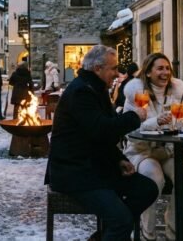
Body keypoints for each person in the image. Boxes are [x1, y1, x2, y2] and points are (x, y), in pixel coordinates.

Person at [46, 45, 156, 240]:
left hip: (95, 167)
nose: (117, 73)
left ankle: (105, 236)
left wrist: (118, 159)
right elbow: (101, 129)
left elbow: (100, 136)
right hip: (75, 172)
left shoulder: (96, 88)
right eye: (113, 68)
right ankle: (114, 230)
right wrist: (133, 117)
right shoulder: (81, 91)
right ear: (97, 68)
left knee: (147, 189)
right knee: (120, 219)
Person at [123, 53, 183, 241]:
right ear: (148, 72)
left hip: (172, 150)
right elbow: (130, 127)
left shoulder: (180, 95)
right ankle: (148, 233)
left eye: (167, 68)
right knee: (152, 178)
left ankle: (174, 231)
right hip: (143, 151)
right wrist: (153, 122)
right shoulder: (136, 94)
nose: (165, 72)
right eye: (160, 68)